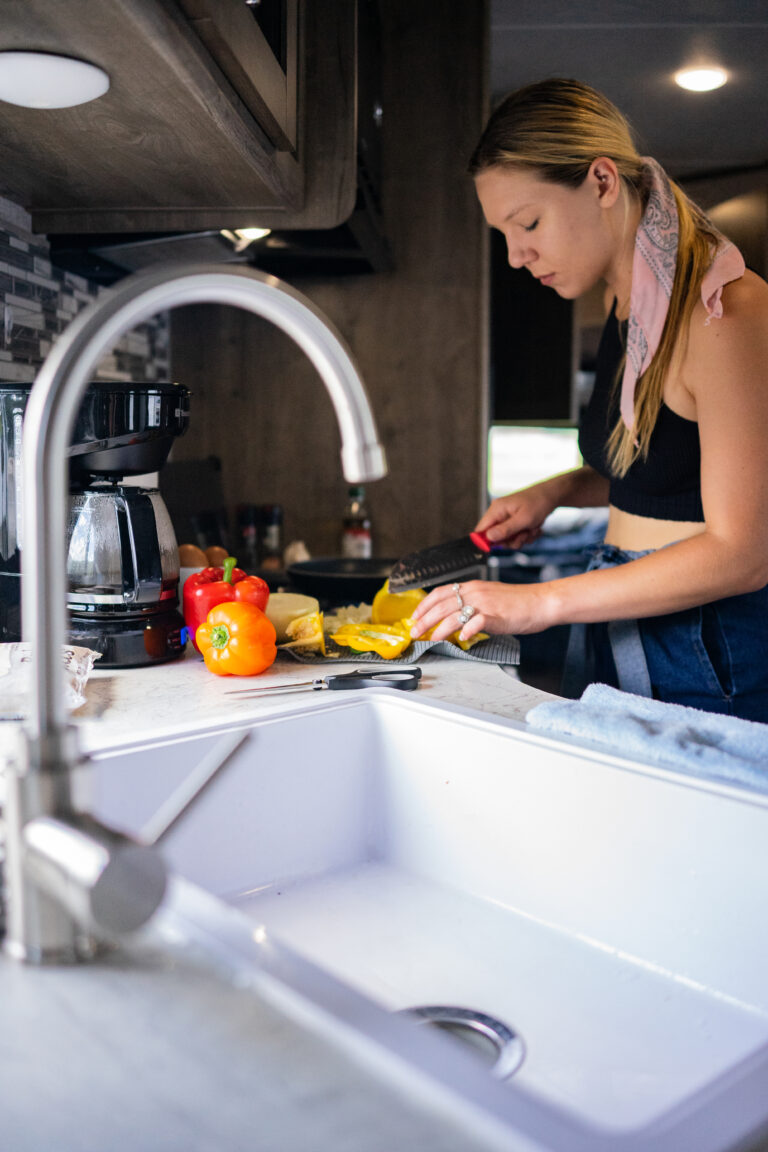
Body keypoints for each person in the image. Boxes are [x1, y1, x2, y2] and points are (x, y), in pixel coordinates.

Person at [410, 78, 768, 722]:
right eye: (505, 235)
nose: (517, 257)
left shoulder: (728, 314)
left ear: (602, 182)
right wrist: (552, 492)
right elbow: (660, 474)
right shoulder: (624, 301)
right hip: (631, 619)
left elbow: (744, 554)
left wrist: (535, 603)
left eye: (528, 223)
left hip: (711, 651)